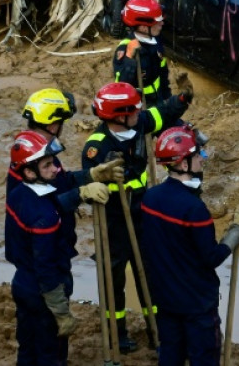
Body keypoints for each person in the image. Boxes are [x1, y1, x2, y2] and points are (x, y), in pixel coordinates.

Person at [81, 81, 192, 353]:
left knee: (150, 272)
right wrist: (106, 180)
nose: (138, 114)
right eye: (133, 111)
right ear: (118, 115)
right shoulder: (96, 148)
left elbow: (160, 114)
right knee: (113, 279)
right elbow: (88, 186)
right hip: (113, 218)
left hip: (141, 210)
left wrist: (181, 98)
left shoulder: (137, 122)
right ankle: (117, 334)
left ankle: (157, 329)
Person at [140, 126, 239, 365]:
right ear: (182, 164)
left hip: (166, 299)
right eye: (196, 156)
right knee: (204, 358)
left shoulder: (150, 198)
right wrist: (236, 232)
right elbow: (211, 257)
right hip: (196, 304)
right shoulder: (194, 210)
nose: (202, 159)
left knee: (171, 354)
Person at [5, 131, 109, 366]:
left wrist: (80, 192)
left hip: (22, 283)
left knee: (27, 347)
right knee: (51, 353)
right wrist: (60, 311)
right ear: (30, 172)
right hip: (43, 292)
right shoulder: (46, 218)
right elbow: (46, 268)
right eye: (48, 165)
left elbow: (51, 201)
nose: (55, 169)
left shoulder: (18, 194)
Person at [8, 88, 123, 197]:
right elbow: (46, 206)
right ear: (53, 127)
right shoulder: (34, 161)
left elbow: (61, 182)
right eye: (61, 123)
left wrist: (91, 175)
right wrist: (80, 195)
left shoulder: (32, 154)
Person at [114, 0, 175, 108]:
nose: (162, 23)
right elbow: (121, 88)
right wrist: (128, 58)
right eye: (158, 22)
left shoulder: (156, 41)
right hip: (141, 107)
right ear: (143, 28)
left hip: (159, 100)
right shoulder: (124, 49)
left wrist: (168, 100)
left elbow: (163, 74)